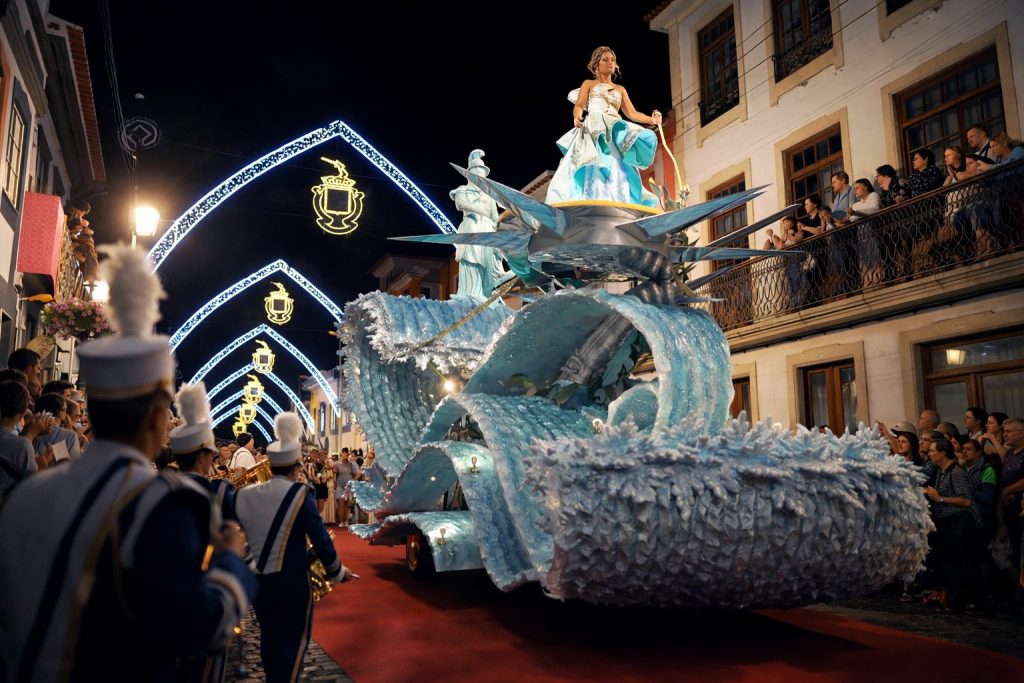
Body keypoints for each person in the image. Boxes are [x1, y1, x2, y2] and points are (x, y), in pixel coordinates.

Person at [0, 245, 255, 681]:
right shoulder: (158, 503)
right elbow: (199, 628)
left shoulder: (27, 495)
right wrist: (232, 562)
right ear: (158, 417)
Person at [235, 412, 358, 683]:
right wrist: (337, 572)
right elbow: (321, 540)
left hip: (258, 582)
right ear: (295, 467)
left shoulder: (244, 495)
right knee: (293, 645)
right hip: (292, 582)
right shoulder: (301, 494)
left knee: (269, 638)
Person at [547, 46, 663, 207]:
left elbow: (632, 113)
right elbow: (579, 105)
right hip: (594, 128)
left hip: (614, 129)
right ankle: (592, 193)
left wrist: (652, 120)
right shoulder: (589, 84)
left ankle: (617, 196)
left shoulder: (620, 89)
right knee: (594, 160)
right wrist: (576, 116)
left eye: (613, 60)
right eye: (605, 60)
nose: (610, 63)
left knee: (616, 162)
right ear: (596, 65)